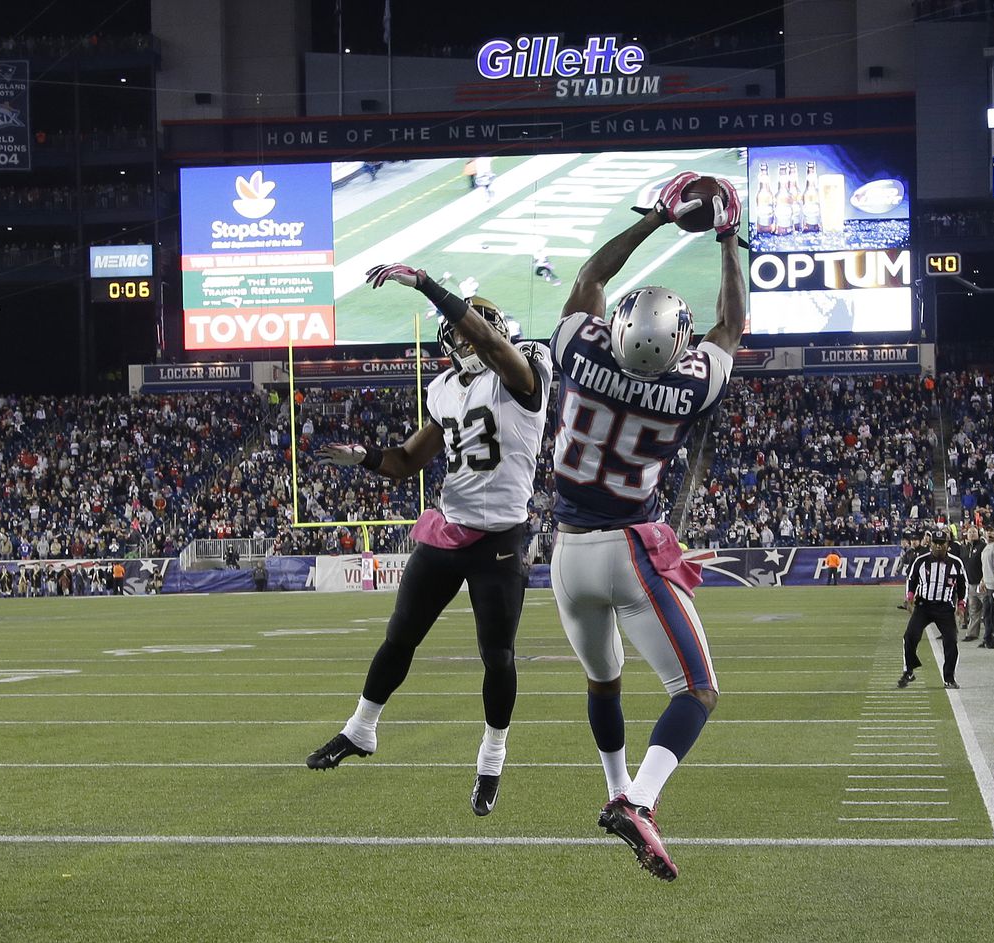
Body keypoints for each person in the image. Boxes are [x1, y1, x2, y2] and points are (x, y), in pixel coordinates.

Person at [548, 170, 743, 881]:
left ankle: (615, 787)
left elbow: (590, 276)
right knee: (696, 690)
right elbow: (732, 326)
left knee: (605, 683)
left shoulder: (579, 349)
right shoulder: (686, 385)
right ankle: (640, 799)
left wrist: (657, 219)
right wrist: (726, 239)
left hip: (566, 557)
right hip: (630, 550)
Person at [305, 264, 551, 824]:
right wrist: (365, 457)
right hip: (449, 527)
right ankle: (361, 729)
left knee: (498, 655)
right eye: (459, 334)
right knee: (400, 637)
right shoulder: (443, 388)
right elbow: (409, 459)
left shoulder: (523, 372)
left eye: (474, 331)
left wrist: (424, 285)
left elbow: (490, 342)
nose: (467, 339)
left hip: (501, 538)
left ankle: (492, 757)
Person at [899, 531, 968, 689]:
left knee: (950, 641)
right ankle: (908, 670)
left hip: (945, 607)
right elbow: (912, 579)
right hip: (924, 605)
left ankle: (949, 678)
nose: (938, 546)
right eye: (935, 542)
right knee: (910, 636)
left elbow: (963, 585)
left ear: (947, 545)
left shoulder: (956, 563)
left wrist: (961, 606)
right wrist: (909, 597)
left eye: (941, 543)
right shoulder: (921, 561)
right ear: (930, 544)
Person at [959, 524, 986, 642]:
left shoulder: (983, 547)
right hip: (970, 584)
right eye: (970, 532)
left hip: (983, 584)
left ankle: (993, 632)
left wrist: (984, 579)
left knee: (989, 609)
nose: (972, 534)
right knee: (973, 610)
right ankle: (972, 634)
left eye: (974, 532)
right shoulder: (964, 548)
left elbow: (986, 565)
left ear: (978, 534)